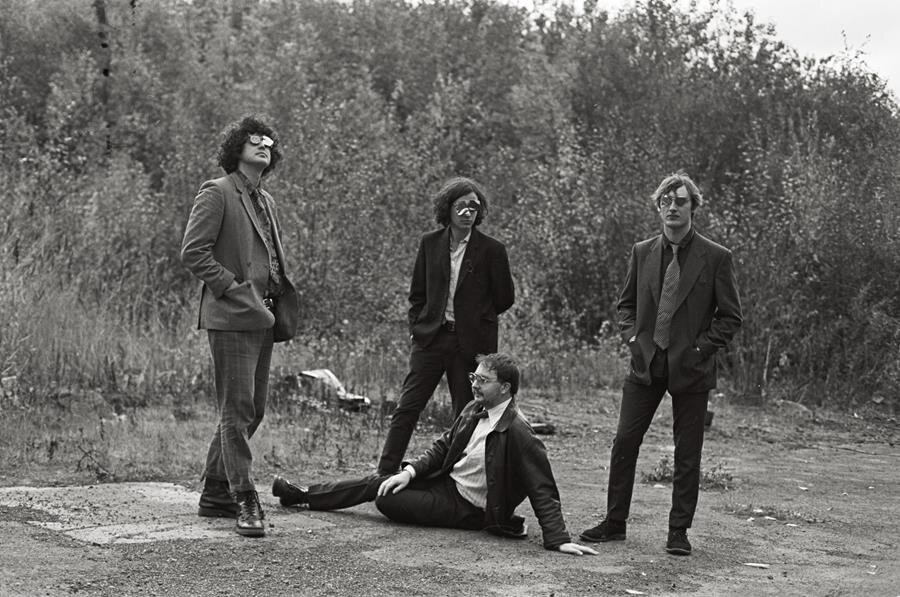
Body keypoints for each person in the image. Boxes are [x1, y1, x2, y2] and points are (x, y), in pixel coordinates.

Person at [273, 353, 597, 556]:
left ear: (505, 388)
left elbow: (542, 487)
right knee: (383, 482)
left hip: (469, 508)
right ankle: (303, 495)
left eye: (483, 380)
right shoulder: (474, 408)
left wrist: (558, 538)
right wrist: (410, 472)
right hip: (445, 483)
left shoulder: (518, 431)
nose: (475, 384)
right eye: (474, 377)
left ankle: (306, 495)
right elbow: (443, 447)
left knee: (385, 499)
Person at [580, 172, 742, 556]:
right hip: (645, 363)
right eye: (665, 201)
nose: (672, 207)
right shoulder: (642, 251)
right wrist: (633, 339)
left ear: (693, 207)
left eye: (680, 201)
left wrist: (699, 349)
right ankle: (615, 523)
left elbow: (731, 317)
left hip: (691, 367)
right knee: (624, 441)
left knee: (687, 452)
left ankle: (678, 531)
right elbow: (626, 305)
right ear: (658, 207)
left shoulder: (716, 257)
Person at [181, 115, 299, 537]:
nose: (264, 145)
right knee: (237, 410)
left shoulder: (267, 200)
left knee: (254, 409)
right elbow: (194, 252)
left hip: (263, 316)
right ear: (236, 149)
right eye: (254, 140)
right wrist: (233, 288)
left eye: (268, 141)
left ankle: (215, 493)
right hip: (232, 315)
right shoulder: (217, 191)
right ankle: (244, 498)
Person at [376, 177, 515, 475]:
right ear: (447, 208)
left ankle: (451, 476)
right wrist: (417, 328)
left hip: (471, 345)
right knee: (407, 406)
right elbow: (417, 294)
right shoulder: (430, 243)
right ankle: (384, 474)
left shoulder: (492, 250)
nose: (467, 212)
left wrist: (476, 320)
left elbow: (504, 298)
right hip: (431, 339)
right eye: (461, 205)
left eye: (474, 206)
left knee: (465, 413)